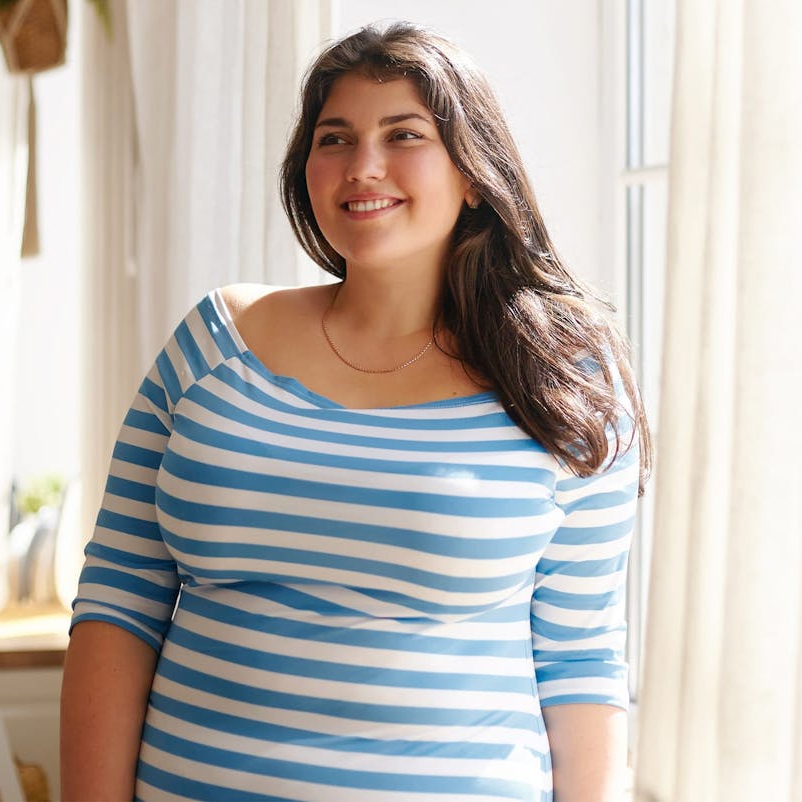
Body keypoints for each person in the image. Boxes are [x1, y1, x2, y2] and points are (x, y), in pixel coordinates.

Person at [60, 21, 649, 802]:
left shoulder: (565, 380)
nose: (361, 166)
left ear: (474, 173)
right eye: (333, 138)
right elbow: (117, 603)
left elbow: (581, 654)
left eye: (403, 134)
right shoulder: (212, 345)